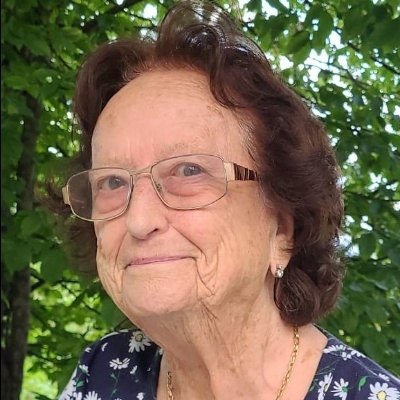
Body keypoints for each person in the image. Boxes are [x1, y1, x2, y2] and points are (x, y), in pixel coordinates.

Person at [50, 1, 400, 399]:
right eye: (112, 181)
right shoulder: (102, 373)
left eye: (188, 171)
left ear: (283, 230)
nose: (139, 220)